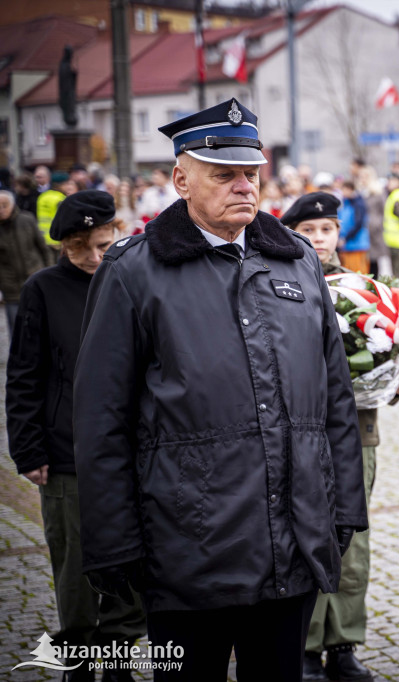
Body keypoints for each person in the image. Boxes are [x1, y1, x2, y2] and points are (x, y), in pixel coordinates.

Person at [72, 99, 367, 682]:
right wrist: (112, 540)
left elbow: (335, 397)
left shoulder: (297, 261)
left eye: (251, 173)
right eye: (223, 174)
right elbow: (101, 417)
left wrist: (343, 509)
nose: (243, 186)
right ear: (181, 180)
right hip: (188, 548)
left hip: (291, 545)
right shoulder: (134, 272)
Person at [6, 191, 146, 681]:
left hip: (131, 451)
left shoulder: (132, 280)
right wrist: (28, 449)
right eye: (77, 248)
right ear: (62, 246)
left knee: (134, 558)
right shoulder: (42, 289)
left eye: (102, 246)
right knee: (76, 566)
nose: (91, 257)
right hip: (66, 456)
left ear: (117, 234)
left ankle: (120, 653)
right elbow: (24, 374)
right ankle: (79, 658)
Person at [280, 193, 378, 682]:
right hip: (302, 434)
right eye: (309, 230)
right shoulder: (282, 280)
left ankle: (344, 641)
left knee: (353, 542)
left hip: (357, 431)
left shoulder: (362, 289)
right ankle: (307, 643)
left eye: (327, 229)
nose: (319, 239)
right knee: (306, 535)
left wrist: (387, 372)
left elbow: (385, 343)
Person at [1, 189, 52, 332]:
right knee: (16, 328)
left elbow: (44, 248)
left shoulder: (27, 219)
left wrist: (48, 272)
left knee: (41, 325)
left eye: (5, 205)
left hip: (35, 278)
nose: (1, 210)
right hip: (10, 287)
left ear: (12, 205)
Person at [339, 180, 370, 274]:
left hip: (356, 244)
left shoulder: (357, 204)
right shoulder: (345, 204)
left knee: (358, 272)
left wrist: (345, 238)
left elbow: (358, 224)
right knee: (348, 271)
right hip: (347, 245)